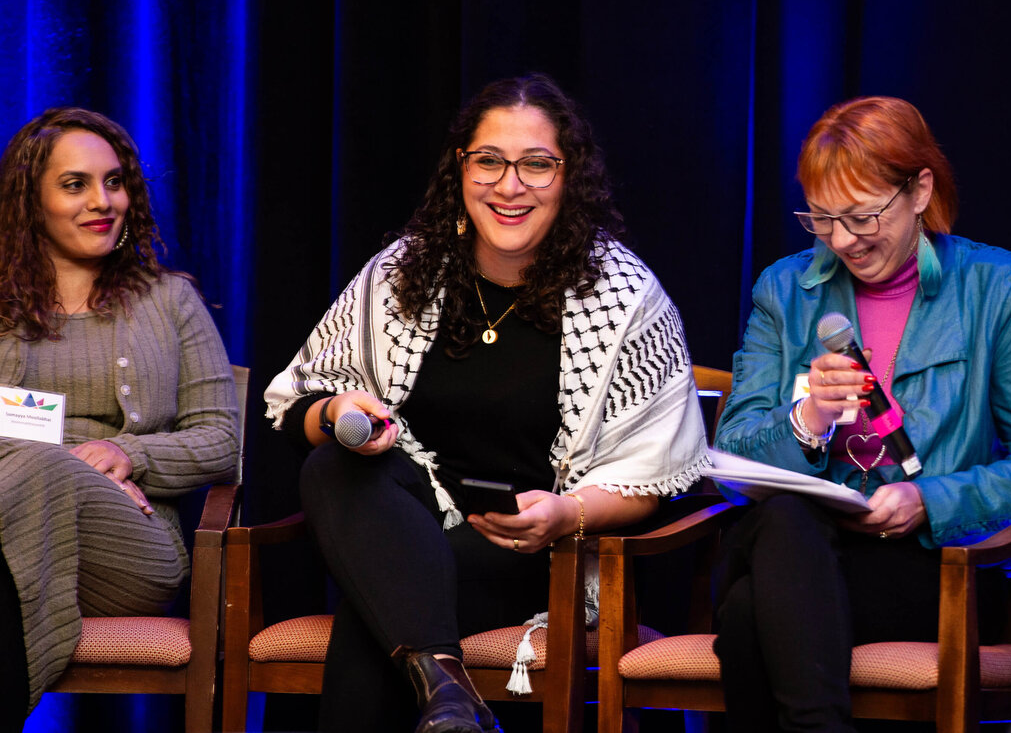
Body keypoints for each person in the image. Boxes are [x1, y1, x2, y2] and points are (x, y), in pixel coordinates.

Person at [264, 73, 709, 732]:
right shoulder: (402, 273)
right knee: (333, 465)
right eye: (490, 161)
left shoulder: (624, 296)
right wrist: (339, 413)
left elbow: (655, 473)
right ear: (460, 168)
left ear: (569, 176)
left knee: (372, 617)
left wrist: (567, 512)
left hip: (537, 553)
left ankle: (441, 689)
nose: (509, 185)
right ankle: (449, 694)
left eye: (537, 164)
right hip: (401, 527)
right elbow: (298, 406)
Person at [709, 96, 1011, 731]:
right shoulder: (784, 288)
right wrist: (805, 420)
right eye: (822, 219)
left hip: (931, 572)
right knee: (784, 519)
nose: (842, 241)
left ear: (919, 190)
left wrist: (931, 499)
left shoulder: (1003, 287)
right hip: (795, 551)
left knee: (751, 615)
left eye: (861, 217)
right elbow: (731, 455)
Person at [0, 108, 240, 732]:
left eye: (115, 181)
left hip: (130, 545)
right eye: (75, 184)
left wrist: (133, 456)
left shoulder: (171, 302)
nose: (103, 201)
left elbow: (222, 440)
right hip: (2, 541)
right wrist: (66, 459)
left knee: (40, 476)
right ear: (30, 202)